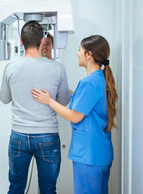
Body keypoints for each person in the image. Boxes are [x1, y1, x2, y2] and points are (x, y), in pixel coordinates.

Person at [31, 35, 118, 194]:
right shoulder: (97, 79)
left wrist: (49, 101)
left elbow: (75, 116)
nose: (77, 54)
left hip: (88, 156)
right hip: (99, 154)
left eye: (79, 50)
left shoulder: (90, 82)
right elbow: (81, 98)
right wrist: (58, 91)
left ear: (89, 55)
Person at [0, 21, 71, 194]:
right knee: (47, 189)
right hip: (47, 136)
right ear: (42, 41)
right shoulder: (57, 68)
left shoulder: (11, 68)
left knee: (16, 187)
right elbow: (64, 101)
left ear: (21, 42)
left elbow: (4, 98)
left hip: (19, 136)